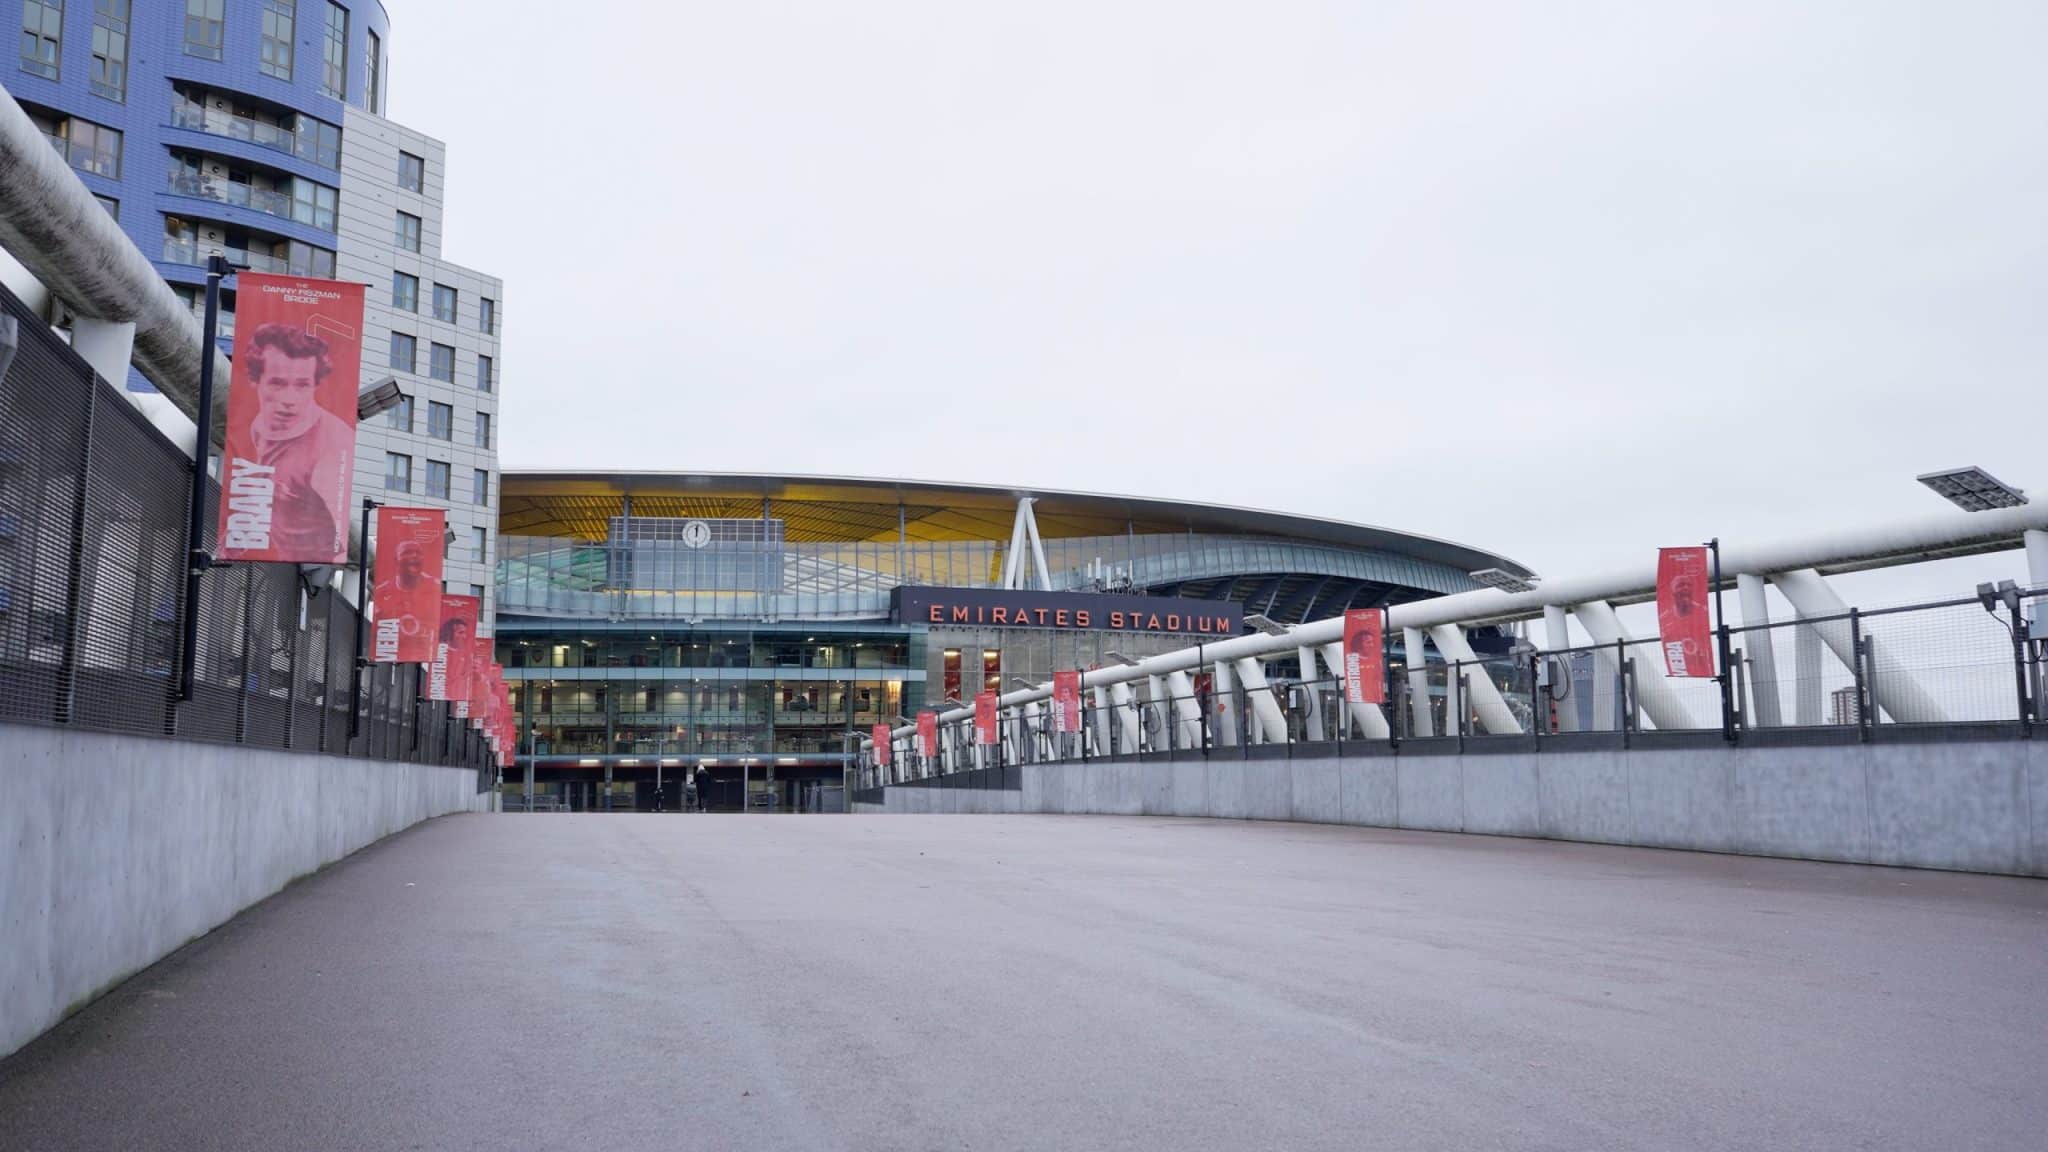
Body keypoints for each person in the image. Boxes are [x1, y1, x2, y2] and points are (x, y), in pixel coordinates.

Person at [235, 323, 352, 560]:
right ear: (255, 380)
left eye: (302, 385)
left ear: (316, 384)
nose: (289, 399)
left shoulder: (333, 443)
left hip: (302, 574)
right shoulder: (258, 425)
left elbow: (337, 540)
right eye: (277, 383)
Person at [373, 538, 438, 656]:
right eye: (407, 552)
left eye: (418, 553)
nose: (414, 555)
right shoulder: (382, 592)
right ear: (396, 560)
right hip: (388, 656)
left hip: (420, 658)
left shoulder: (434, 588)